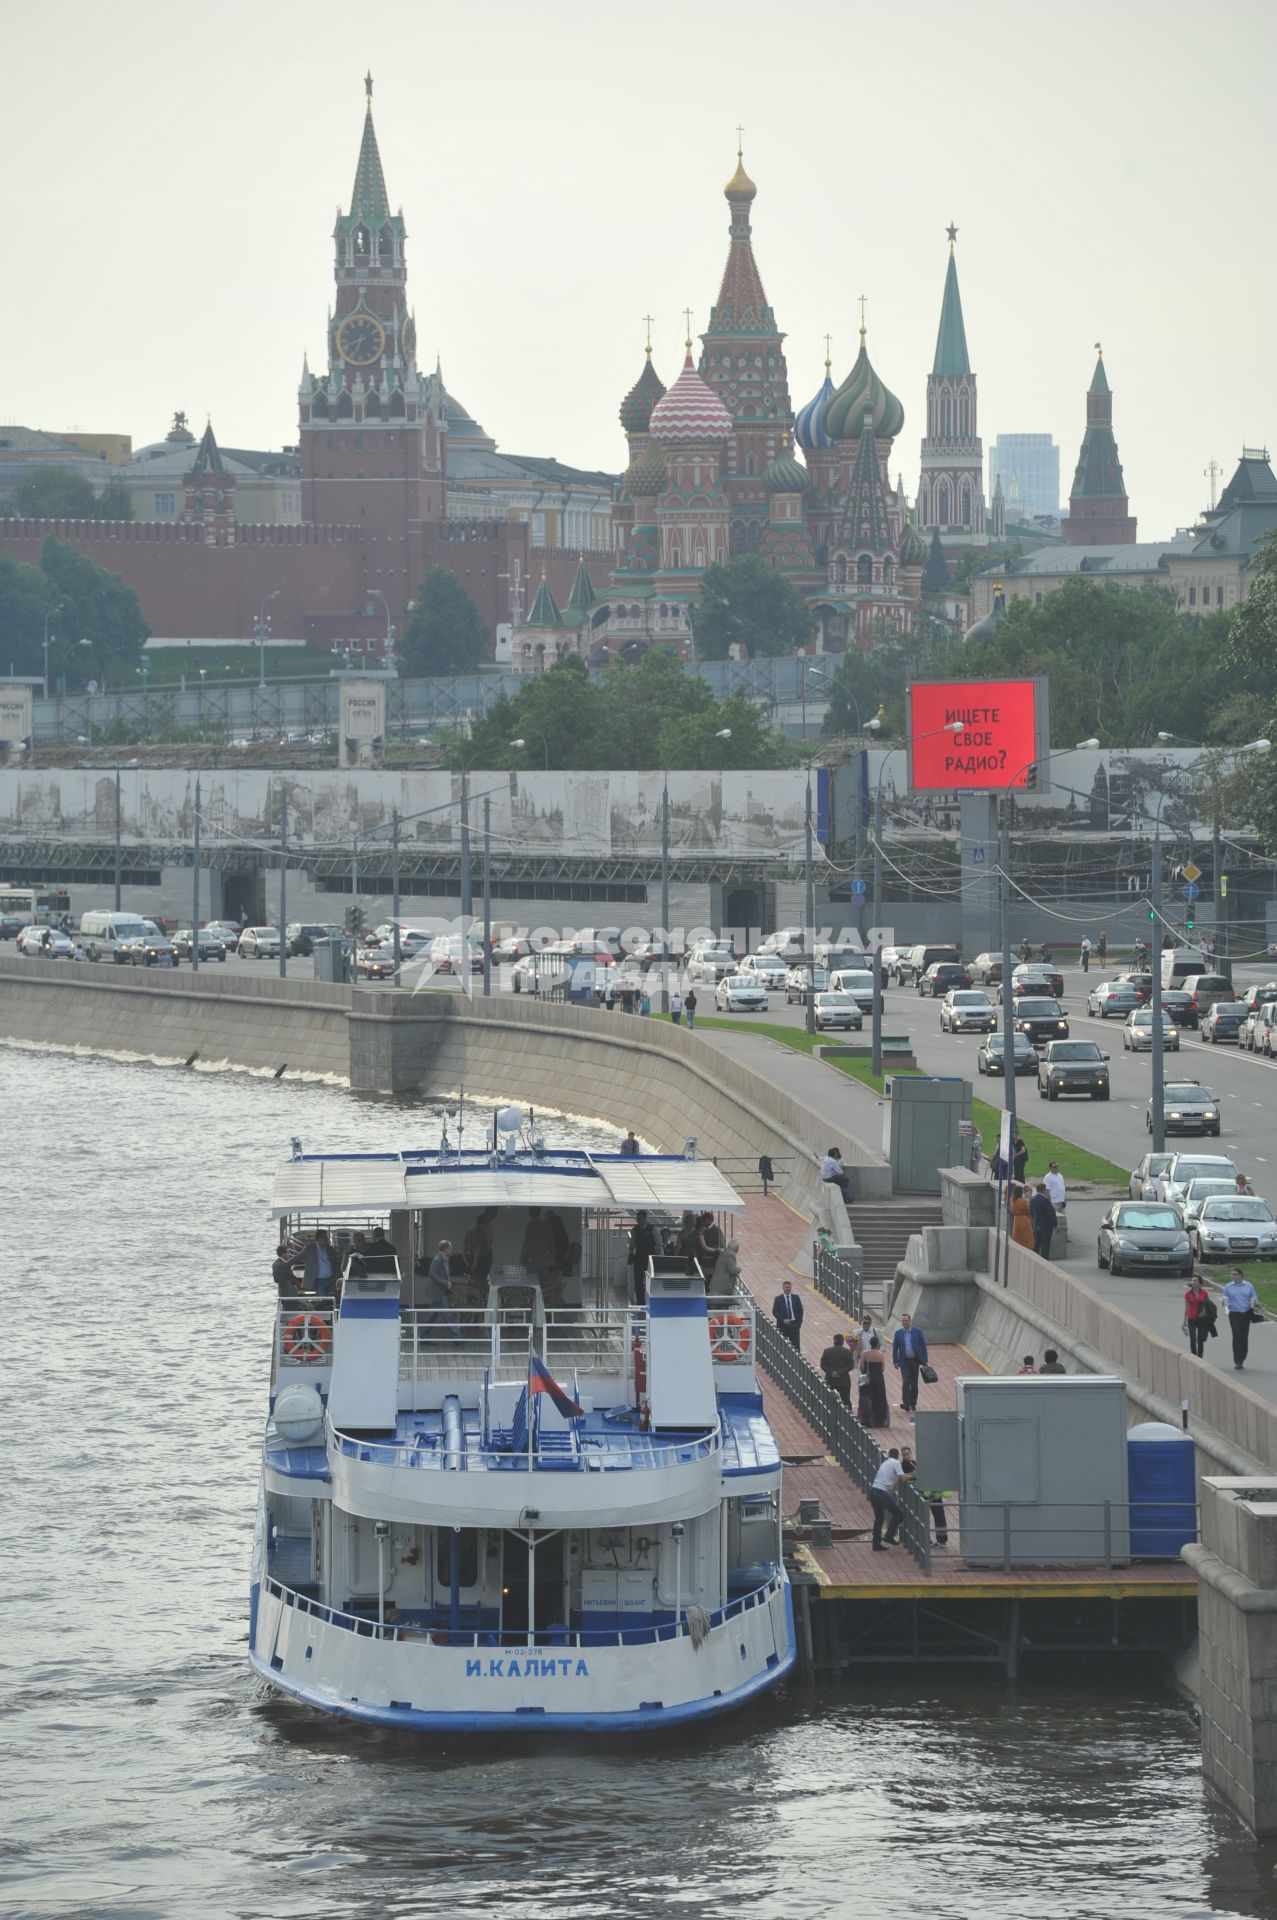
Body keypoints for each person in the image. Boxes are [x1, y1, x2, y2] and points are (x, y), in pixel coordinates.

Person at [900, 1444, 949, 1547]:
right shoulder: (904, 1465)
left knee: (939, 1515)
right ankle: (929, 1539)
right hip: (924, 1494)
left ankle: (941, 1540)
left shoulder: (914, 1462)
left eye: (908, 1454)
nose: (906, 1456)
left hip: (932, 1492)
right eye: (904, 1455)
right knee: (924, 1517)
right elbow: (912, 1477)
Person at [869, 1448, 912, 1549]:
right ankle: (889, 1536)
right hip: (881, 1493)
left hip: (873, 1491)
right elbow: (902, 1478)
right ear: (897, 1456)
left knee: (879, 1519)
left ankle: (876, 1544)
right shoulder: (896, 1463)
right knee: (899, 1514)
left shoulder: (885, 1462)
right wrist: (914, 1475)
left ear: (889, 1455)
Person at [1222, 1267, 1260, 1370]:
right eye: (1232, 1274)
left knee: (1244, 1336)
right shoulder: (1228, 1286)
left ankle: (1242, 1357)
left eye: (1234, 1274)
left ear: (1240, 1275)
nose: (1232, 1276)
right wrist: (1226, 1309)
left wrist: (1255, 1304)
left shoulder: (1248, 1285)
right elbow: (1224, 1300)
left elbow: (1255, 1297)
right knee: (1236, 1336)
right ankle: (1237, 1361)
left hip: (1246, 1314)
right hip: (1234, 1314)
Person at [892, 1312, 928, 1413]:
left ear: (910, 1321)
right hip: (904, 1361)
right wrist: (895, 1361)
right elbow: (895, 1348)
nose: (904, 1322)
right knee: (906, 1381)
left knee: (914, 1383)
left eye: (906, 1320)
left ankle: (913, 1403)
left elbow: (923, 1346)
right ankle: (906, 1403)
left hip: (915, 1361)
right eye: (903, 1321)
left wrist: (925, 1360)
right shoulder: (898, 1333)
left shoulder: (918, 1331)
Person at [424, 1238, 459, 1338]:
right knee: (448, 1315)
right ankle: (457, 1337)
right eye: (450, 1248)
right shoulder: (438, 1259)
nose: (451, 1250)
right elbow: (432, 1274)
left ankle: (423, 1336)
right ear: (446, 1248)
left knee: (432, 1316)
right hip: (438, 1292)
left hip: (439, 1292)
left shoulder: (444, 1259)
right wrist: (445, 1283)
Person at [857, 1333, 890, 1428]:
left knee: (866, 1397)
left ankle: (866, 1419)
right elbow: (883, 1368)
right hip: (879, 1379)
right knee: (879, 1398)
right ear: (878, 1344)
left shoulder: (865, 1353)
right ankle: (880, 1419)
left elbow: (862, 1366)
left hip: (868, 1379)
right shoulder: (880, 1354)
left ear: (870, 1343)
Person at [627, 1210, 659, 1304]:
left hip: (650, 1259)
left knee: (652, 1280)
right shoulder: (634, 1230)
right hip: (639, 1258)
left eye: (640, 1218)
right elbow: (631, 1244)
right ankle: (640, 1301)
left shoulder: (653, 1229)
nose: (638, 1220)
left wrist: (660, 1258)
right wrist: (631, 1250)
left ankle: (652, 1300)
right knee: (638, 1281)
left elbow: (659, 1244)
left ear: (645, 1218)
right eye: (638, 1218)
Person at [1184, 1276, 1216, 1359]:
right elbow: (1187, 1308)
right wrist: (1184, 1322)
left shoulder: (1204, 1293)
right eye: (1192, 1281)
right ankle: (1194, 1357)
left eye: (1195, 1281)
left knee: (1200, 1340)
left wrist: (1205, 1312)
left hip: (1202, 1318)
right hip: (1191, 1318)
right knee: (1193, 1339)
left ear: (1199, 1283)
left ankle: (1200, 1357)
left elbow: (1208, 1305)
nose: (1193, 1282)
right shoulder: (1187, 1294)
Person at [820, 1332, 855, 1405]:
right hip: (844, 1381)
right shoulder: (848, 1352)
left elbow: (822, 1364)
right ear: (842, 1342)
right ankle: (847, 1416)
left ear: (834, 1341)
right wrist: (839, 1372)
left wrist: (831, 1372)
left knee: (828, 1402)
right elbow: (851, 1366)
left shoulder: (827, 1351)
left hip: (830, 1380)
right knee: (846, 1401)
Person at [302, 1228, 338, 1294]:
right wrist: (286, 1264)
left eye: (327, 1238)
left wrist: (335, 1275)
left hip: (330, 1279)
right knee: (321, 1299)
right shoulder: (310, 1248)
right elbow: (298, 1257)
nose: (327, 1240)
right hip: (319, 1281)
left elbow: (335, 1262)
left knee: (330, 1299)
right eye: (325, 1238)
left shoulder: (330, 1249)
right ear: (319, 1239)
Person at [773, 1280, 803, 1350]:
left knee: (796, 1346)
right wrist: (783, 1320)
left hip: (794, 1325)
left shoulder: (796, 1298)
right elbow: (775, 1312)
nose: (787, 1289)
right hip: (783, 1326)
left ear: (791, 1288)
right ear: (783, 1288)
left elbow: (800, 1311)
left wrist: (798, 1324)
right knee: (782, 1346)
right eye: (786, 1287)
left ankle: (796, 1360)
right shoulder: (778, 1299)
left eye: (789, 1287)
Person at [1029, 1182, 1057, 1257]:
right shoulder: (1045, 1200)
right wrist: (1054, 1223)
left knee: (1036, 1243)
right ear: (1043, 1190)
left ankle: (1035, 1257)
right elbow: (1051, 1213)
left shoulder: (1032, 1199)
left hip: (1036, 1224)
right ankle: (1044, 1259)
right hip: (1046, 1226)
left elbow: (1031, 1212)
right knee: (1045, 1243)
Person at [1009, 1183, 1034, 1249]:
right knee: (1027, 1237)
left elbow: (1012, 1211)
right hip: (1025, 1219)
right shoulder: (1024, 1201)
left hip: (1016, 1219)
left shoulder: (1012, 1201)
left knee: (1017, 1235)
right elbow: (1029, 1211)